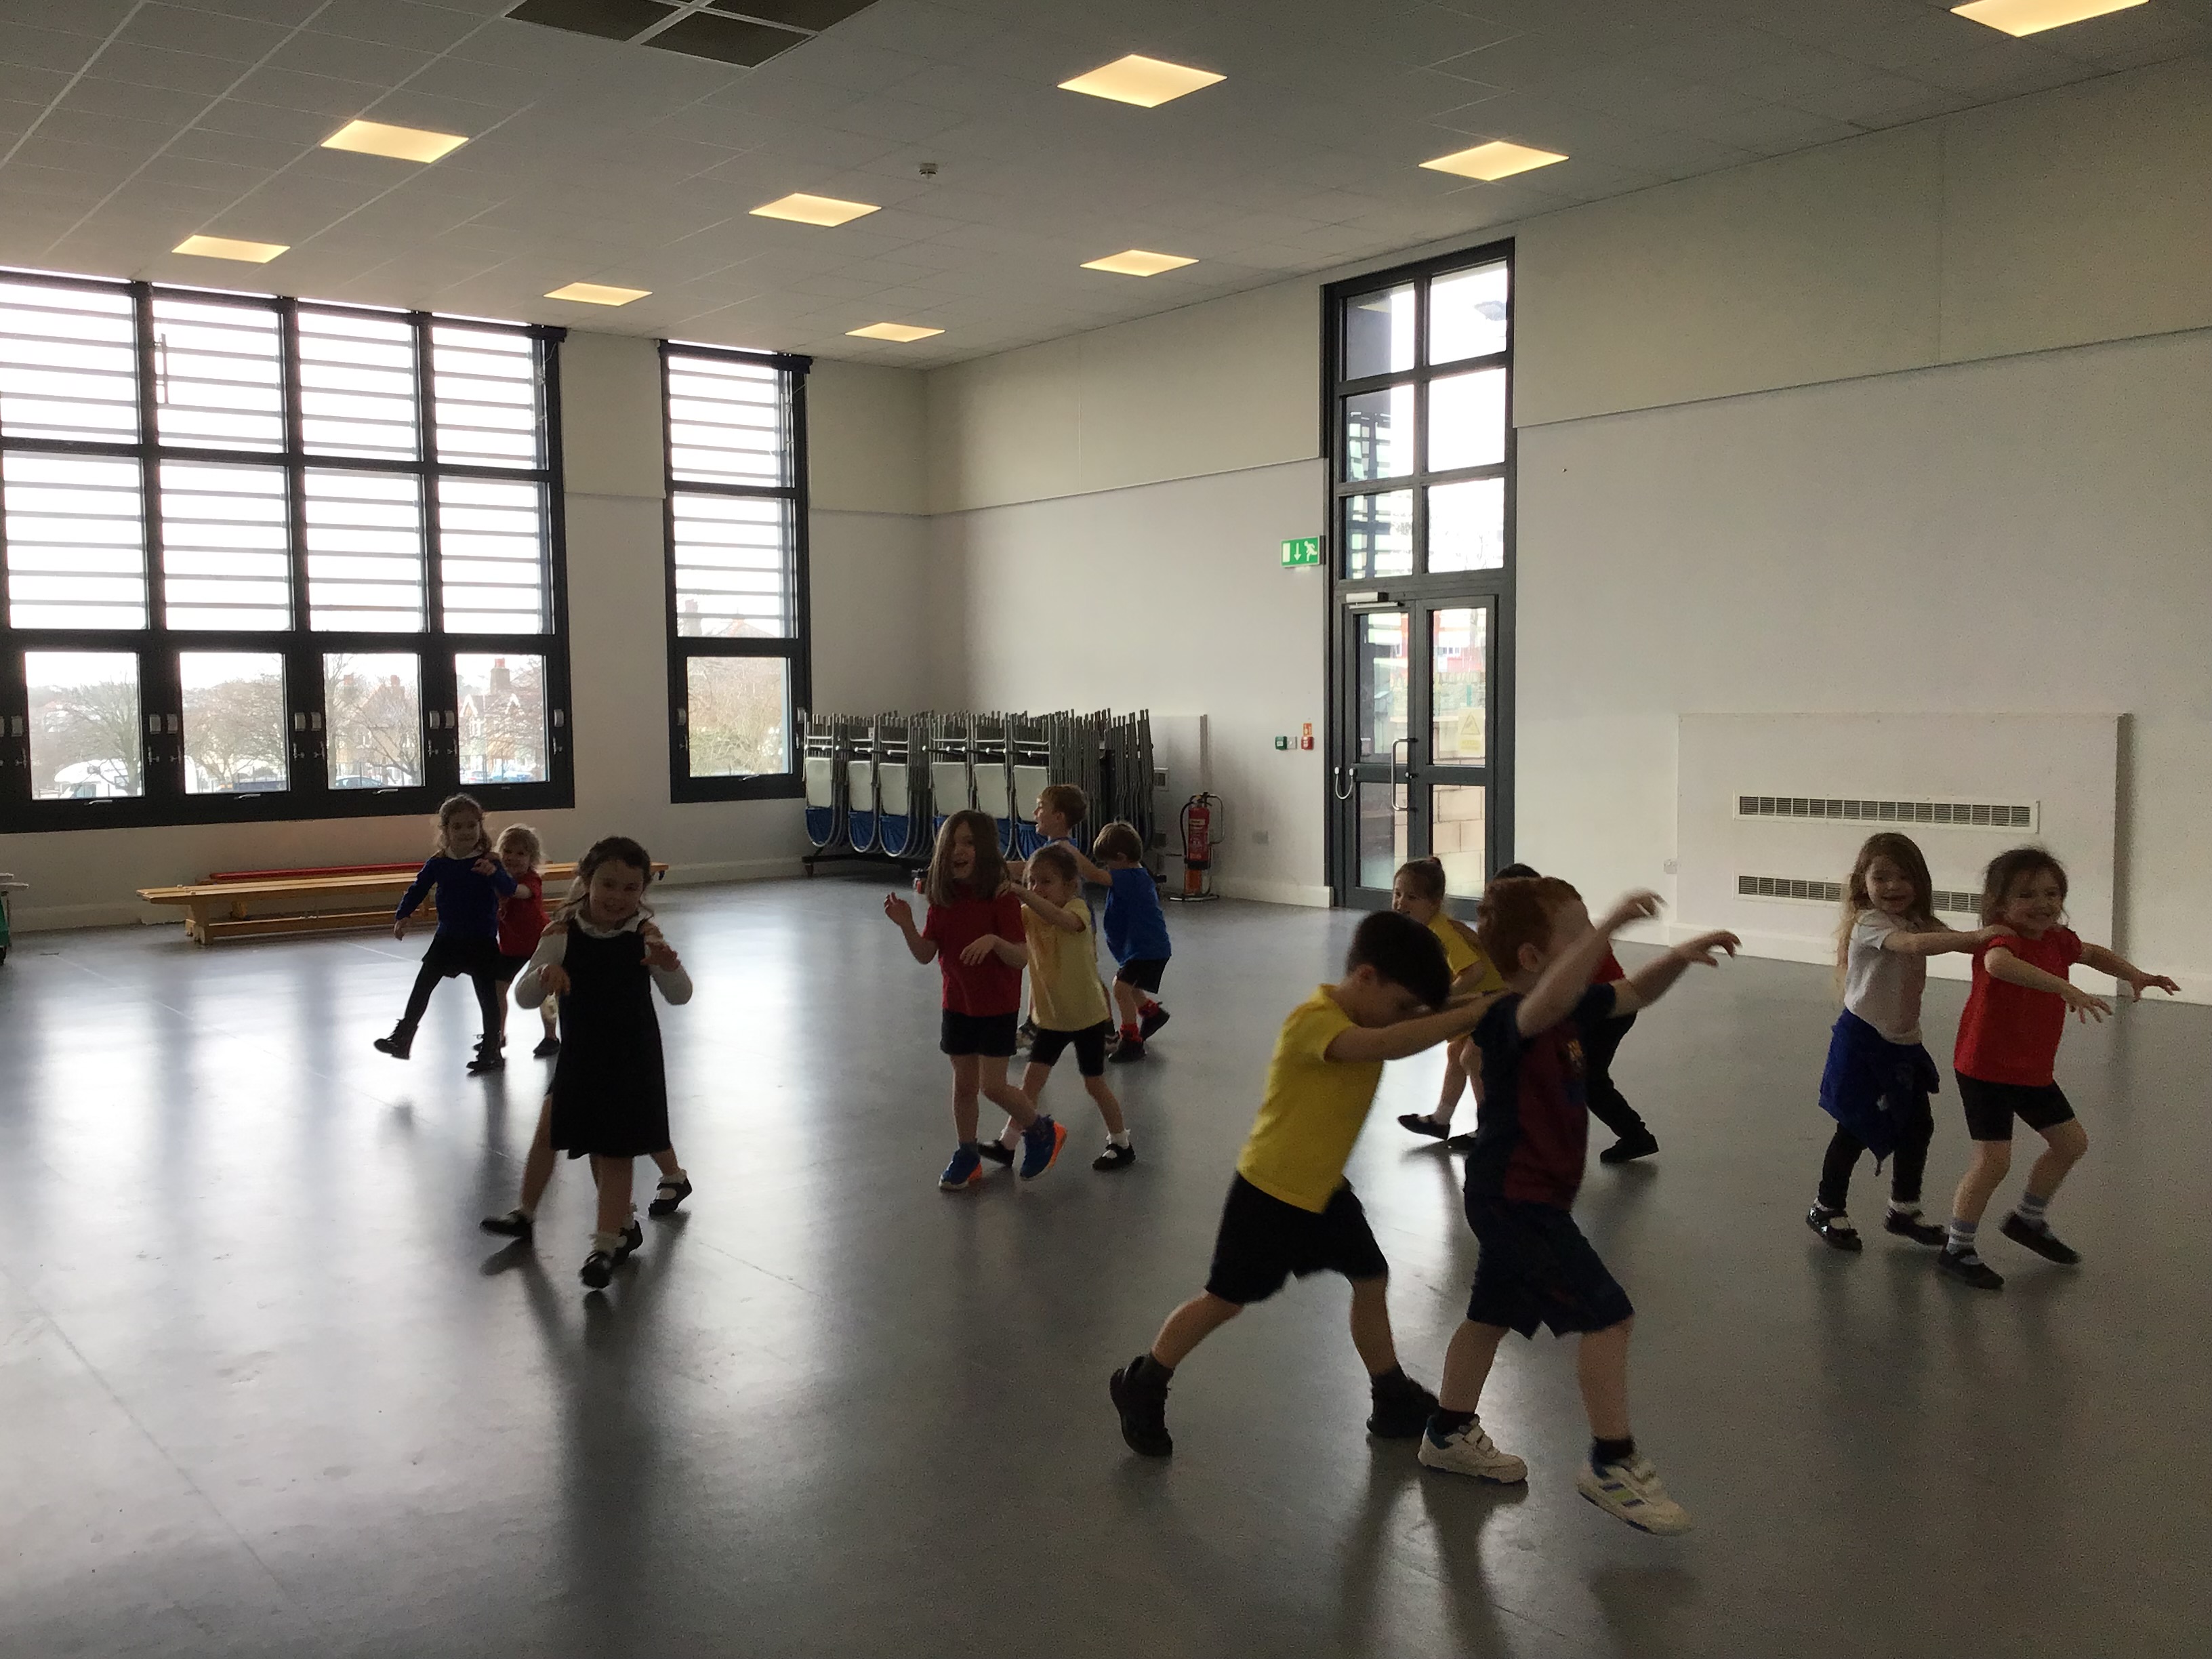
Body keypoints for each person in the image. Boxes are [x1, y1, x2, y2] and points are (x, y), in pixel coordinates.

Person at [1418, 877, 1738, 1536]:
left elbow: (1633, 992)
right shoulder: (1511, 1017)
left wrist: (1677, 958)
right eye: (1580, 932)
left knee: (1490, 1313)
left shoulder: (1570, 1010)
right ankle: (1611, 1462)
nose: (1595, 940)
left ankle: (1447, 1432)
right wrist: (1614, 922)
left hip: (1527, 1196)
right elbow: (1544, 1005)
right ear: (1534, 958)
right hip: (1516, 1199)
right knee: (1609, 1316)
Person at [1108, 911, 1482, 1458]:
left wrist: (1491, 1000)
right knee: (1224, 1301)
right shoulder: (1316, 1022)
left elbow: (1414, 1020)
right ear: (1366, 978)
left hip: (1325, 1190)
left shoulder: (1372, 1013)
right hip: (1270, 1194)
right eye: (1402, 1004)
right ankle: (1144, 1381)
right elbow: (1394, 1041)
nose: (1406, 1017)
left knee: (1371, 1277)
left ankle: (1390, 1395)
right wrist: (1477, 1011)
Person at [1935, 846, 2175, 1290]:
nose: (2043, 904)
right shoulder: (2002, 939)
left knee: (2071, 1143)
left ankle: (2028, 1220)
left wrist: (2133, 973)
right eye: (2026, 895)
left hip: (2031, 1070)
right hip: (1985, 1068)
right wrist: (2063, 987)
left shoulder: (2057, 940)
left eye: (2051, 893)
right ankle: (1957, 1247)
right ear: (2000, 903)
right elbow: (1999, 966)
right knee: (1993, 1162)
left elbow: (2092, 953)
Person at [480, 837, 693, 1290]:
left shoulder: (644, 935)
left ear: (642, 891)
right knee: (548, 1133)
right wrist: (543, 976)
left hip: (632, 1058)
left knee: (614, 1151)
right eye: (608, 884)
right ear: (586, 881)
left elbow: (680, 995)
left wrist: (669, 966)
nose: (618, 896)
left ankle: (605, 1246)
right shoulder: (561, 933)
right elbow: (523, 996)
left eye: (631, 888)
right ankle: (527, 1213)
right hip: (582, 1055)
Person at [1805, 833, 2005, 1252]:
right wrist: (1977, 938)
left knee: (1917, 1126)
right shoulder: (1870, 923)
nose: (1893, 886)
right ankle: (1826, 1206)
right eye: (1882, 877)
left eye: (1904, 877)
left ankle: (1903, 1209)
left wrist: (2002, 939)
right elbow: (1914, 946)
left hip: (1902, 1043)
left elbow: (1942, 938)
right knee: (1854, 1129)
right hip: (1863, 1042)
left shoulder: (1916, 920)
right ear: (1863, 883)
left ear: (1920, 882)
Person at [884, 808, 1066, 1191]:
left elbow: (1020, 957)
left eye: (968, 842)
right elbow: (926, 953)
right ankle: (967, 1154)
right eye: (952, 843)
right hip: (957, 1004)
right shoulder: (942, 899)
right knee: (964, 1087)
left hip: (996, 1006)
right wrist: (907, 925)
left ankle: (1041, 1129)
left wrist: (994, 942)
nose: (959, 850)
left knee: (992, 1086)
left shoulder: (1000, 899)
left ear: (983, 849)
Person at [980, 844, 1132, 1172]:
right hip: (1050, 1019)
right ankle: (1008, 1143)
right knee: (1031, 1084)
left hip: (1087, 1018)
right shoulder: (1029, 914)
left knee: (1094, 1084)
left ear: (1071, 885)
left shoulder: (1078, 910)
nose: (1037, 888)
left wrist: (1021, 891)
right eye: (1032, 881)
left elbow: (1062, 920)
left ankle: (1121, 1142)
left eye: (1046, 882)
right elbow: (1005, 919)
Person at [375, 793, 515, 1074]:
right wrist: (403, 915)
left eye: (471, 825)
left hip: (481, 941)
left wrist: (494, 873)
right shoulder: (439, 863)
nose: (465, 832)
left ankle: (492, 1051)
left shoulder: (489, 861)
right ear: (446, 830)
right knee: (422, 986)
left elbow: (509, 889)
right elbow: (418, 888)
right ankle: (402, 1038)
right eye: (457, 826)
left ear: (480, 827)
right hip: (448, 939)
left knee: (487, 998)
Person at [1390, 857, 1507, 1142]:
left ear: (1434, 903)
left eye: (1412, 897)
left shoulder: (1441, 932)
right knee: (1456, 1054)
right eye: (1398, 893)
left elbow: (1474, 971)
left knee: (1471, 1059)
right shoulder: (1429, 930)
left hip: (1492, 1002)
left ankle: (1490, 1128)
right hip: (1476, 1004)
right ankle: (1441, 1120)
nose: (1401, 902)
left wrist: (1442, 999)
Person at [1092, 820, 1172, 1063]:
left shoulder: (1131, 876)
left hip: (1147, 950)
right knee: (1131, 985)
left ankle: (1131, 1040)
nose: (1108, 869)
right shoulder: (1134, 874)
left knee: (1120, 988)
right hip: (1142, 949)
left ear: (1121, 858)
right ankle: (1152, 1013)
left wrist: (1069, 853)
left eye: (1109, 864)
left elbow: (1093, 875)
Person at [491, 823, 560, 1065]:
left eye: (521, 853)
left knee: (545, 989)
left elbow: (519, 892)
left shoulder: (531, 880)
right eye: (508, 851)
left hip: (539, 942)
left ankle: (551, 1037)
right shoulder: (498, 880)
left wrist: (497, 879)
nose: (513, 857)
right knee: (497, 989)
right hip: (511, 946)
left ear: (532, 859)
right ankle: (497, 1035)